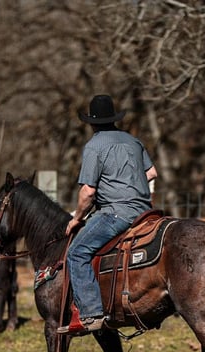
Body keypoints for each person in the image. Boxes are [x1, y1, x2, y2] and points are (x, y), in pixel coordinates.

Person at [58, 94, 158, 336]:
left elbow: (88, 192)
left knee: (77, 253)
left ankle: (91, 313)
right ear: (114, 119)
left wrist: (77, 218)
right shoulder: (133, 141)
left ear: (92, 123)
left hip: (116, 213)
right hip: (145, 212)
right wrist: (129, 183)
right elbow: (152, 173)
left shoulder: (94, 146)